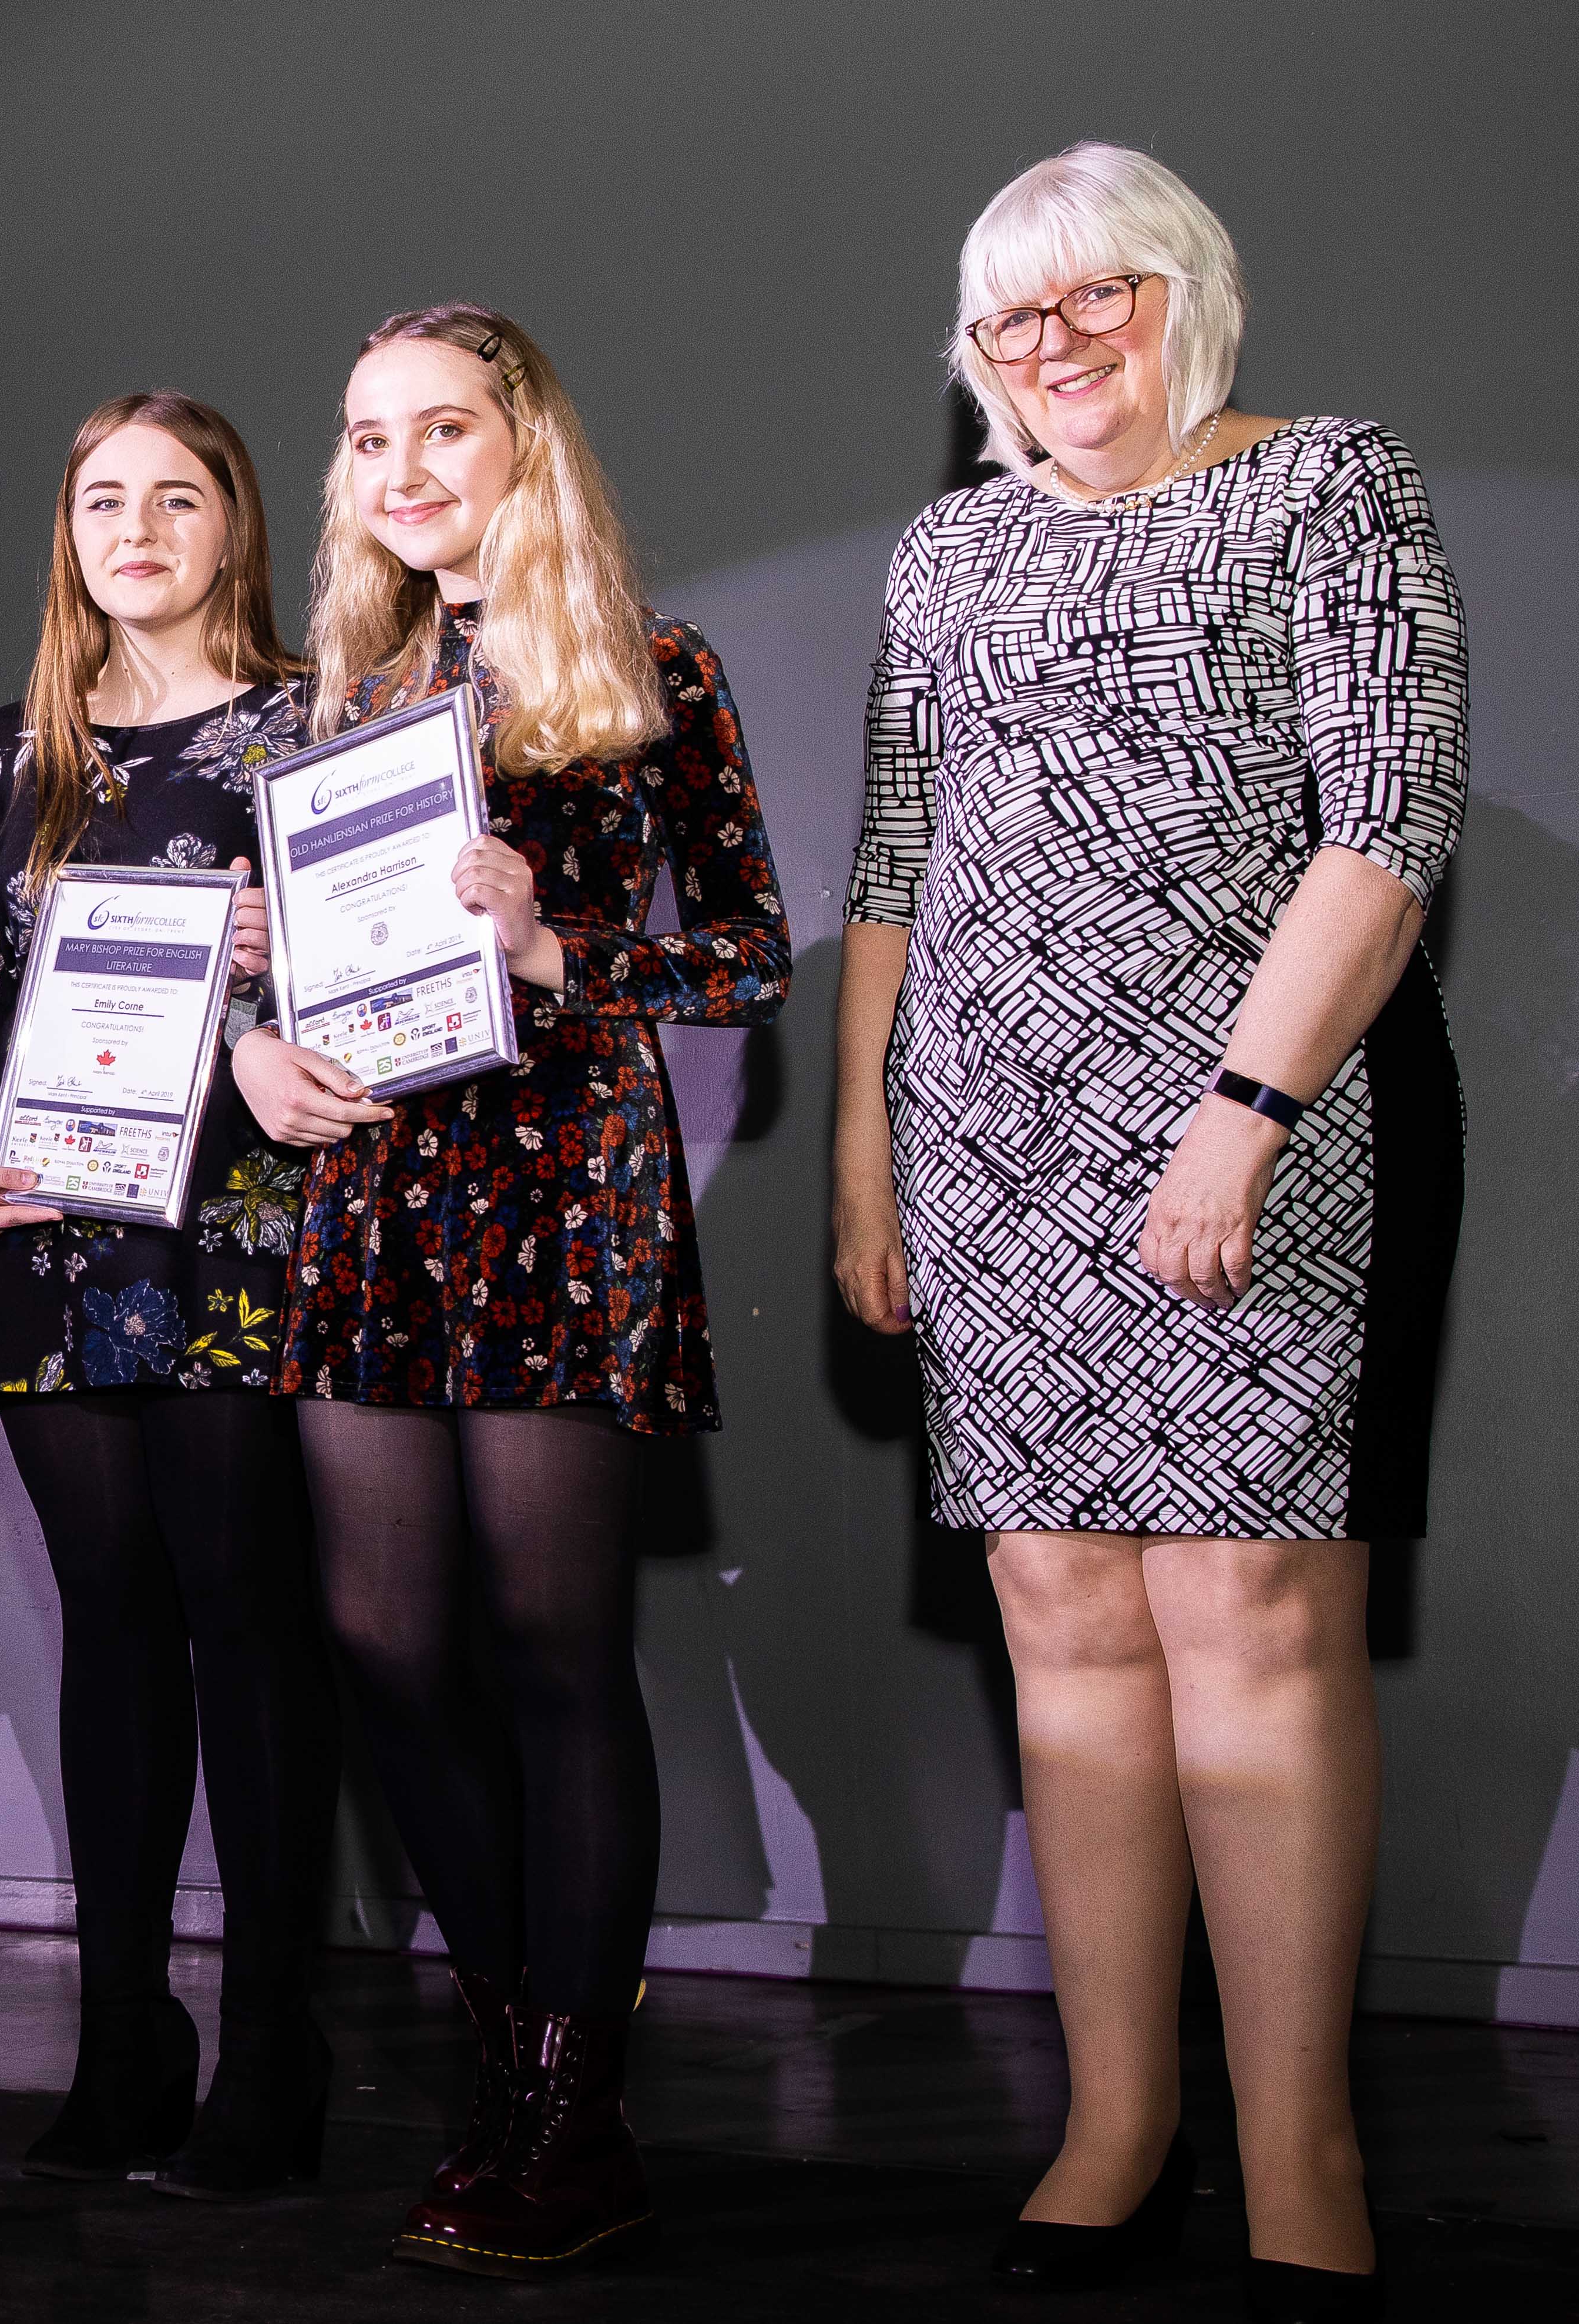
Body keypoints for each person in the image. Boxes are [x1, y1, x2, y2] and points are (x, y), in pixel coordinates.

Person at [833, 145, 1463, 2324]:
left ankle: (1302, 2152)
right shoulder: (950, 547)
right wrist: (863, 1156)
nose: (1058, 343)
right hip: (987, 1147)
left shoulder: (1326, 485)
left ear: (1190, 291)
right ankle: (1118, 2123)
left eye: (1101, 294)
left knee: (1251, 1621)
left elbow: (1388, 822)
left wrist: (1243, 1112)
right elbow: (896, 860)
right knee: (1062, 1617)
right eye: (1015, 316)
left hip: (1260, 1131)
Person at [256, 307, 789, 2276]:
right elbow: (275, 973)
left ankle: (575, 2106)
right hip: (374, 1195)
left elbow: (749, 957)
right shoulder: (334, 705)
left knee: (558, 1649)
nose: (401, 468)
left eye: (443, 428)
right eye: (367, 435)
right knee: (386, 1643)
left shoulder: (654, 670)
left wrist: (559, 946)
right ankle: (507, 2054)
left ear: (523, 445)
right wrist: (254, 1041)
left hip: (566, 1191)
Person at [0, 393, 338, 2198]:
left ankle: (277, 2044)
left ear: (234, 525)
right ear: (68, 531)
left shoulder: (315, 724)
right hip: (56, 1241)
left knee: (250, 1621)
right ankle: (123, 2036)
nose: (137, 529)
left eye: (176, 497)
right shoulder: (12, 752)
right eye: (103, 500)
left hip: (241, 1234)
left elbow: (381, 973)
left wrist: (283, 976)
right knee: (111, 1627)